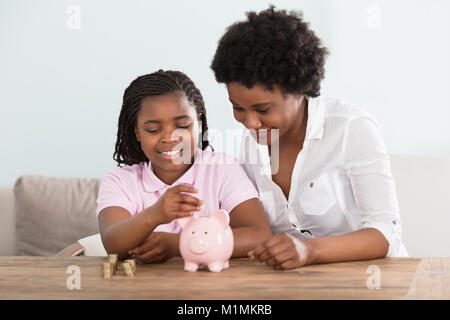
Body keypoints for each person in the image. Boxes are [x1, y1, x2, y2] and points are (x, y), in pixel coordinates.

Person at [210, 6, 409, 270]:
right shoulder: (253, 144)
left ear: (299, 89)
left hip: (375, 280)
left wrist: (309, 250)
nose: (250, 122)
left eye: (263, 109)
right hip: (301, 286)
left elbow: (386, 232)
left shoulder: (351, 128)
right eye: (238, 108)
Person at [96, 69, 272, 262]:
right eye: (153, 129)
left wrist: (178, 244)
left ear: (199, 122)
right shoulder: (120, 181)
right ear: (137, 132)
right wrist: (155, 214)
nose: (171, 138)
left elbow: (259, 235)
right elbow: (113, 245)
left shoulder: (222, 169)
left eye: (182, 126)